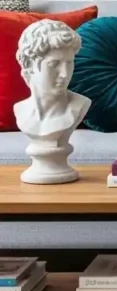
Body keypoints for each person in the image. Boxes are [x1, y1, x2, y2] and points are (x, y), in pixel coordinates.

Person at [13, 19, 90, 183]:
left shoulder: (80, 105)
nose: (64, 74)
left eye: (69, 63)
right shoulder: (21, 111)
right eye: (54, 64)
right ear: (29, 64)